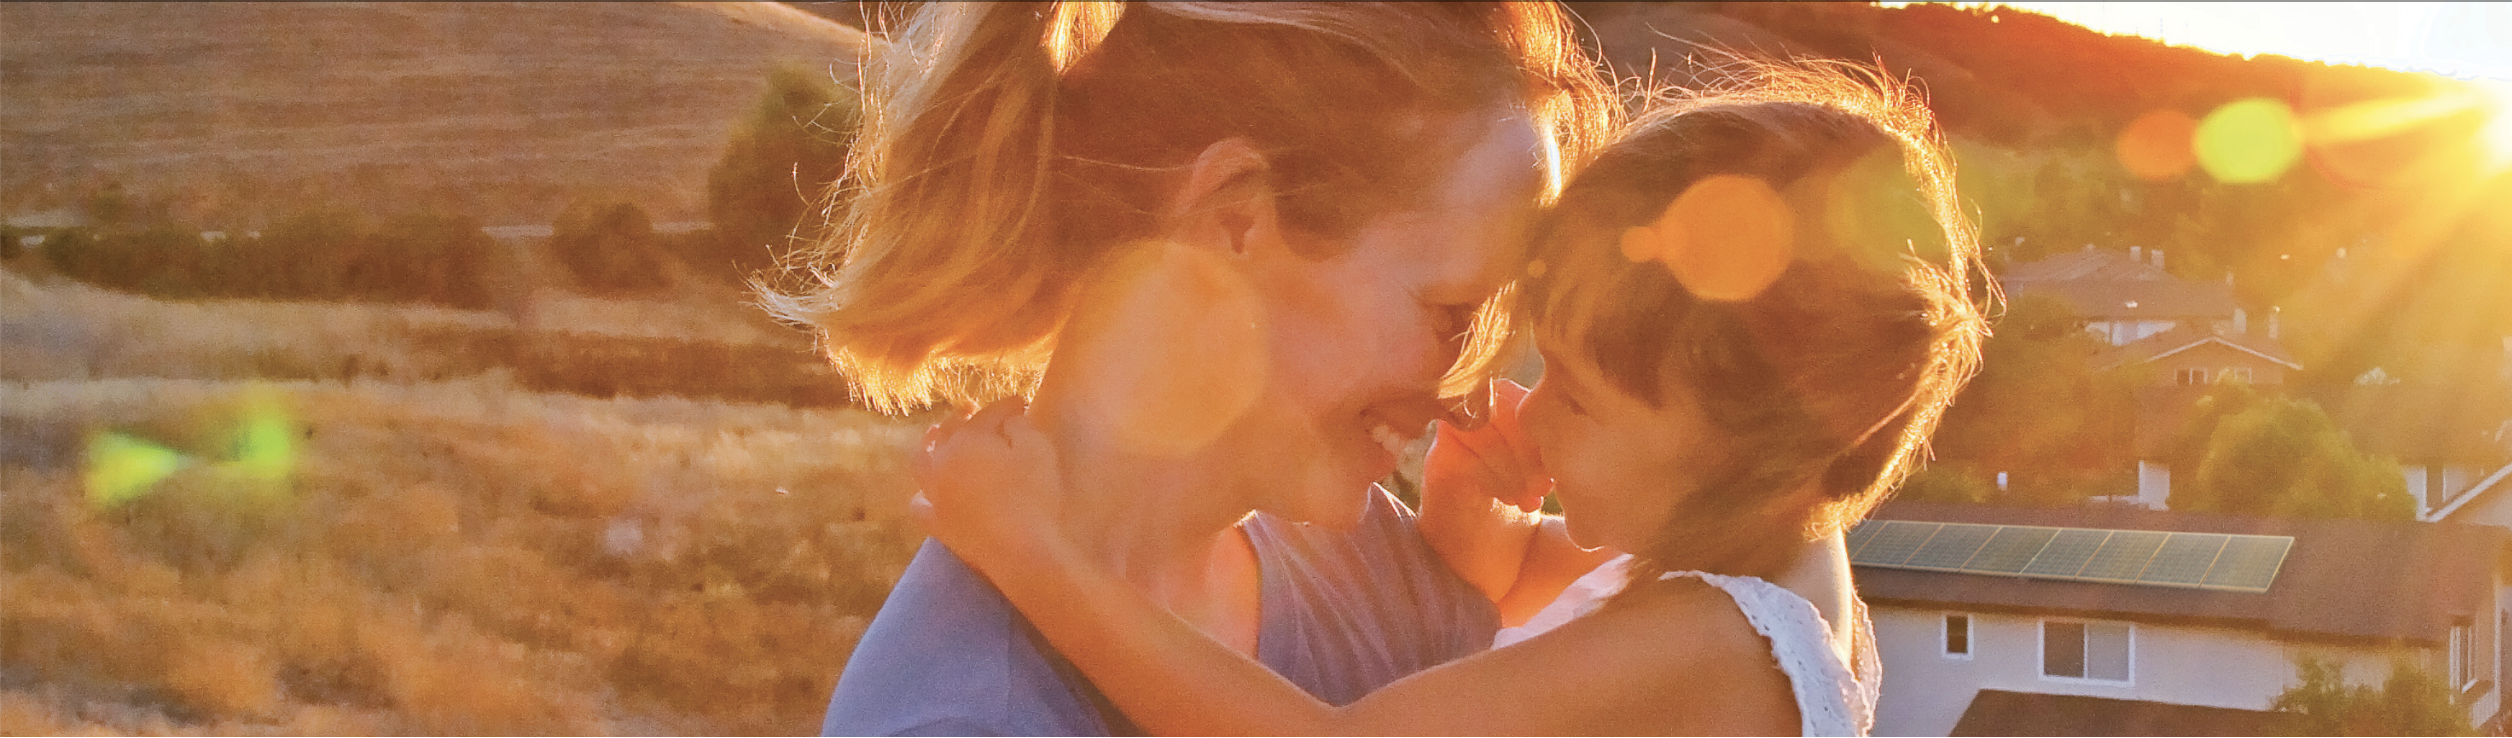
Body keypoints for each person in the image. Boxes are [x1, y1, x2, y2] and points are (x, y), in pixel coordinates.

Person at [915, 63, 1989, 736]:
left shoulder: (1708, 642)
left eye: (1580, 396)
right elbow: (1556, 638)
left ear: (1774, 441)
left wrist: (1036, 560)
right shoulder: (1780, 594)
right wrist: (1490, 546)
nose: (1518, 402)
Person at [760, 3, 1614, 734]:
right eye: (1450, 315)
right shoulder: (962, 717)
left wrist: (1484, 583)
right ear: (1235, 218)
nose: (1470, 398)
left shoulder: (1382, 574)